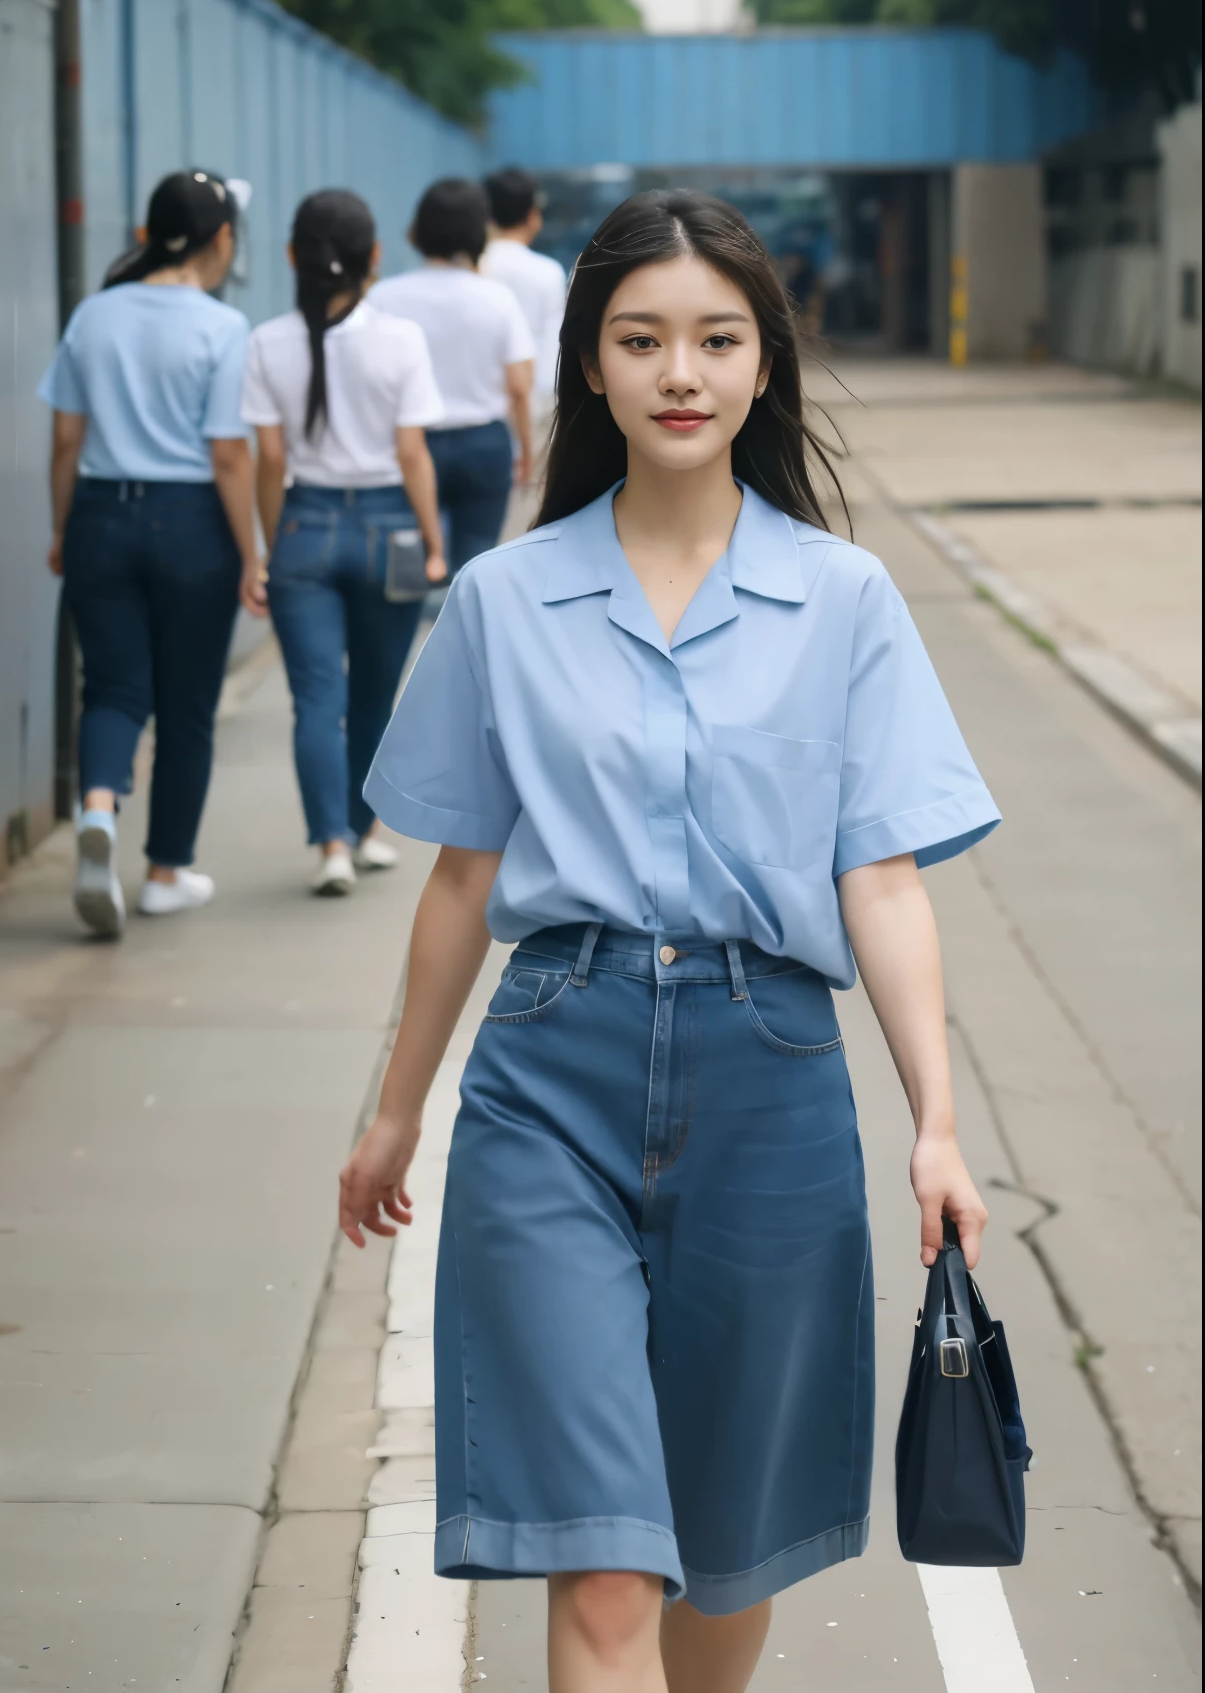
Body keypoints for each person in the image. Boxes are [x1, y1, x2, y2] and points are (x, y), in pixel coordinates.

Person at [339, 190, 1000, 1692]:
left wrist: (938, 1127)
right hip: (547, 1086)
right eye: (641, 341)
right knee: (607, 1571)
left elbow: (882, 879)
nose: (679, 373)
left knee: (724, 1549)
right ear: (589, 366)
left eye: (715, 339)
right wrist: (395, 1113)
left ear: (765, 364)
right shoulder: (506, 600)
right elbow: (459, 880)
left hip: (772, 1085)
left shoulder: (844, 601)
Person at [41, 169, 266, 939]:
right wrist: (251, 553)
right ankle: (166, 872)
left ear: (148, 232)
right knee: (186, 708)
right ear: (222, 239)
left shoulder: (93, 316)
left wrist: (61, 530)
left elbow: (66, 440)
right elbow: (230, 456)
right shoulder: (220, 327)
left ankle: (98, 805)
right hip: (191, 523)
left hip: (101, 517)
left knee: (110, 689)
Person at [242, 190, 448, 897]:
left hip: (305, 525)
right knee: (375, 693)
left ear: (292, 256)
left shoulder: (266, 341)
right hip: (390, 527)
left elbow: (270, 461)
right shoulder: (401, 340)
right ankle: (364, 833)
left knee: (315, 699)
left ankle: (332, 844)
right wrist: (432, 541)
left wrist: (274, 547)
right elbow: (413, 453)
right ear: (374, 259)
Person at [372, 178, 535, 576]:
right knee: (476, 564)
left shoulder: (383, 297)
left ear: (419, 229)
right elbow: (518, 387)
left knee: (408, 561)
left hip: (407, 443)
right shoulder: (496, 298)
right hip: (482, 443)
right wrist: (527, 451)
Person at [481, 164, 568, 408]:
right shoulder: (547, 272)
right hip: (536, 395)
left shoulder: (476, 267)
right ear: (532, 215)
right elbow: (553, 340)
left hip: (485, 395)